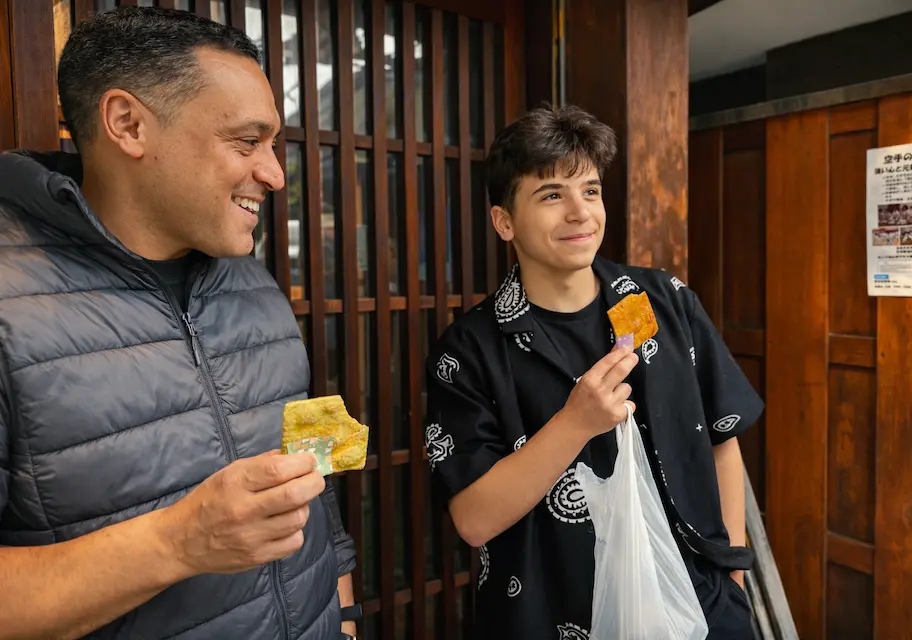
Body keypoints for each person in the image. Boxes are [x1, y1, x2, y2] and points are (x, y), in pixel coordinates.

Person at [0, 7, 359, 639]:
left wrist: (345, 615)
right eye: (247, 143)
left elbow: (309, 484)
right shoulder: (10, 301)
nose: (275, 174)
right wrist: (178, 542)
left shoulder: (249, 279)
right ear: (128, 124)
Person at [425, 105, 763, 639]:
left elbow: (722, 440)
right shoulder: (471, 350)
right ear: (504, 221)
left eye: (590, 190)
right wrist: (574, 423)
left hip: (701, 607)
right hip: (552, 614)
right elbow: (473, 519)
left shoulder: (664, 302)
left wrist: (733, 574)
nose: (580, 212)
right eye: (551, 194)